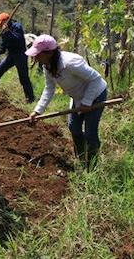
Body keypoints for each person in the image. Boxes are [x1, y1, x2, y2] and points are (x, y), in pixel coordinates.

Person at [27, 34, 107, 171]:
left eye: (38, 55)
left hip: (95, 95)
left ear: (50, 52)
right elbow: (49, 88)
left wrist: (87, 102)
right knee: (74, 128)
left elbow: (95, 79)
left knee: (90, 133)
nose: (35, 58)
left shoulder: (70, 63)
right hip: (77, 97)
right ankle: (81, 160)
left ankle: (92, 166)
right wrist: (37, 111)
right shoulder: (48, 66)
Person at [0, 13, 35, 103]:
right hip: (11, 56)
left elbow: (18, 40)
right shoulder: (3, 33)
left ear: (6, 21)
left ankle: (30, 98)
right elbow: (3, 49)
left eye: (1, 24)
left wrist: (7, 31)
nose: (0, 27)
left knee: (23, 77)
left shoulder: (17, 26)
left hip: (20, 55)